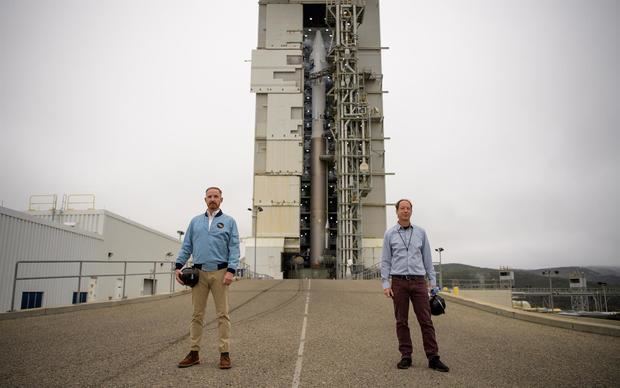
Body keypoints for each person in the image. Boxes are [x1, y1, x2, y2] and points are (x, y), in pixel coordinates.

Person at [381, 199, 449, 372]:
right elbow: (386, 261)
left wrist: (433, 283)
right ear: (396, 211)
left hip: (419, 281)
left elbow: (427, 259)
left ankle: (433, 357)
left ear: (411, 211)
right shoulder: (389, 234)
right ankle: (406, 355)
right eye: (402, 208)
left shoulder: (421, 232)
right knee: (401, 321)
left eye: (408, 208)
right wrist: (385, 283)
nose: (405, 211)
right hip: (398, 282)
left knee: (426, 320)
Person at [175, 187, 240, 369]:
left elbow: (234, 248)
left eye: (216, 196)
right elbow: (186, 245)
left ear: (221, 199)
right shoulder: (195, 222)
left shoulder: (229, 222)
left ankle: (224, 353)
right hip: (199, 274)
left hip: (221, 273)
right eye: (209, 196)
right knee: (197, 315)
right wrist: (178, 266)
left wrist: (231, 270)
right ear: (205, 199)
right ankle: (194, 353)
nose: (213, 199)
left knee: (223, 315)